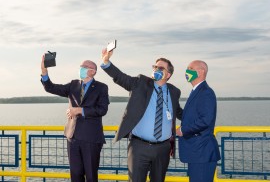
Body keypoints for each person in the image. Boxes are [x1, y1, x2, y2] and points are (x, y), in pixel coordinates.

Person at [101, 49, 182, 182]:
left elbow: (178, 112)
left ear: (168, 74)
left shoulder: (174, 92)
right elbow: (121, 77)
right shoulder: (140, 83)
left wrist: (190, 123)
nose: (156, 69)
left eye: (160, 68)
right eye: (154, 67)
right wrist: (106, 62)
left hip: (163, 149)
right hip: (139, 147)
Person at [40, 55, 109, 182]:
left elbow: (102, 110)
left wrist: (79, 110)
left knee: (91, 176)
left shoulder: (101, 87)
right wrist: (44, 71)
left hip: (91, 139)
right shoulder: (73, 85)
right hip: (73, 138)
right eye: (80, 67)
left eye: (84, 67)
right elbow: (51, 87)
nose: (81, 69)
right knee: (75, 176)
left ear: (93, 71)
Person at [176, 60, 221, 182]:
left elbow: (206, 120)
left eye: (190, 68)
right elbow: (192, 116)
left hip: (202, 153)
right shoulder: (196, 91)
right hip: (197, 153)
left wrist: (183, 130)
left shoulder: (205, 92)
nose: (187, 71)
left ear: (201, 72)